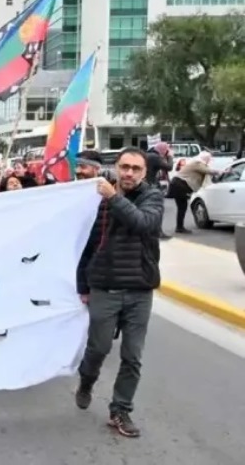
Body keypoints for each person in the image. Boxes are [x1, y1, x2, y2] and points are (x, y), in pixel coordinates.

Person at [74, 147, 163, 439]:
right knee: (98, 348)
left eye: (136, 169)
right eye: (125, 167)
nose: (129, 173)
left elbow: (143, 224)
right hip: (105, 287)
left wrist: (113, 197)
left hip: (139, 290)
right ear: (117, 167)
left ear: (144, 173)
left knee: (132, 356)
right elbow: (86, 246)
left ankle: (120, 410)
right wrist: (83, 286)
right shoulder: (98, 199)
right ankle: (87, 381)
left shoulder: (152, 197)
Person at [168, 151, 222, 234]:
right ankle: (179, 227)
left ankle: (179, 227)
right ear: (205, 158)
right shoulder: (197, 163)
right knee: (182, 207)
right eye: (208, 159)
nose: (209, 161)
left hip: (177, 184)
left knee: (182, 207)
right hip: (179, 185)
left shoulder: (197, 163)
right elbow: (208, 171)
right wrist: (221, 172)